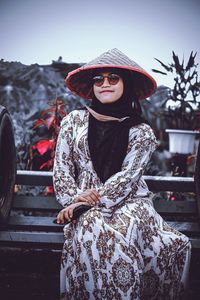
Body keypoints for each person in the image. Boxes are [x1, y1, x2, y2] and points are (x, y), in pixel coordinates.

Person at [53, 48, 191, 300]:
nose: (105, 84)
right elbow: (62, 171)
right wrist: (73, 200)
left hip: (130, 203)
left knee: (121, 231)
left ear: (125, 84)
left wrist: (82, 205)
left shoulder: (142, 132)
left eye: (113, 78)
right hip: (81, 202)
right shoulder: (73, 122)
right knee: (92, 223)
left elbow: (127, 178)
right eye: (99, 79)